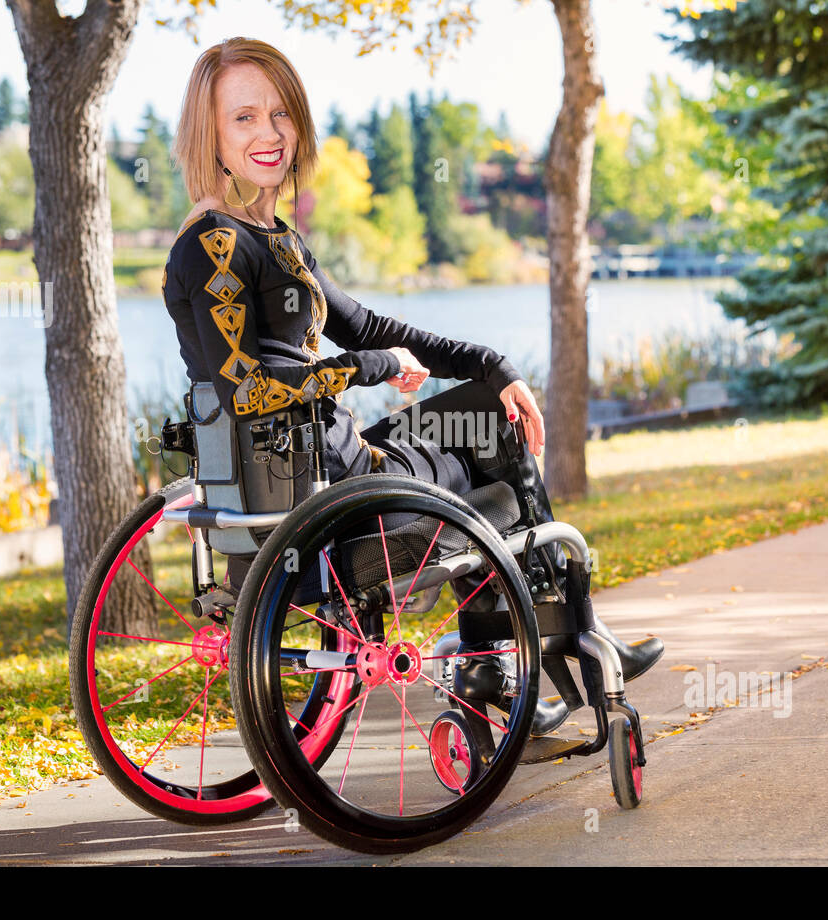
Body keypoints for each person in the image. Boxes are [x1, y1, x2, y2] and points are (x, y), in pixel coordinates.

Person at [161, 37, 662, 736]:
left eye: (281, 114)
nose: (270, 133)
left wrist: (490, 364)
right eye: (243, 118)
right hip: (332, 510)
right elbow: (246, 388)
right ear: (208, 134)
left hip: (337, 473)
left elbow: (365, 324)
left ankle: (524, 650)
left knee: (489, 412)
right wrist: (374, 369)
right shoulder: (213, 245)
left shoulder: (272, 237)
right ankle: (555, 637)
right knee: (492, 453)